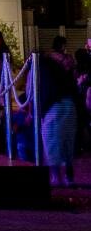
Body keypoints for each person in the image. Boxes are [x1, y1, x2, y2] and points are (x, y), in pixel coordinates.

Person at [39, 35, 79, 187]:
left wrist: (40, 111)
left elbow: (43, 92)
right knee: (67, 144)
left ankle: (56, 178)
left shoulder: (43, 68)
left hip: (54, 107)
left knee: (51, 144)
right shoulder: (64, 63)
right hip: (69, 104)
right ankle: (69, 178)